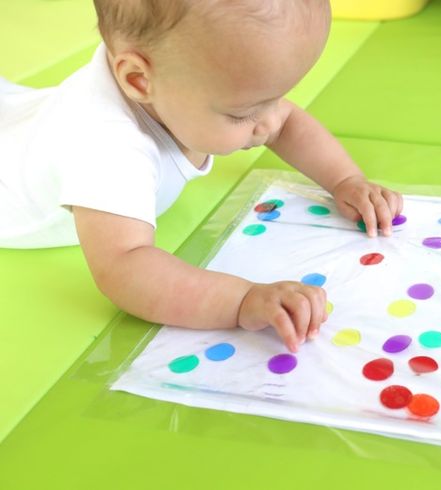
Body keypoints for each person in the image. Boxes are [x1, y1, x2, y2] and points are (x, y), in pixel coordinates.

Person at [0, 0, 403, 353]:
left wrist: (345, 179)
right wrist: (241, 300)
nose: (269, 122)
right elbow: (124, 267)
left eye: (275, 98)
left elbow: (284, 123)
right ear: (138, 80)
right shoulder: (105, 146)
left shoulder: (172, 70)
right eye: (242, 113)